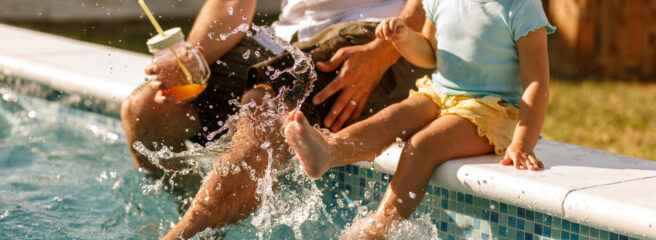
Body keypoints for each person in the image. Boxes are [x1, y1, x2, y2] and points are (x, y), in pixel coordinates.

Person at [120, 0, 433, 238]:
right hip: (288, 37)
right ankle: (204, 222)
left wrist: (382, 51)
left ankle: (182, 234)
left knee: (268, 99)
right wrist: (193, 61)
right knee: (145, 108)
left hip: (379, 33)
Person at [283, 0, 555, 237]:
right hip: (440, 92)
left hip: (492, 109)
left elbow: (536, 80)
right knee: (392, 117)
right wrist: (404, 39)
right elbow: (429, 53)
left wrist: (523, 141)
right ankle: (329, 151)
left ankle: (379, 228)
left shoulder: (520, 6)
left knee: (423, 145)